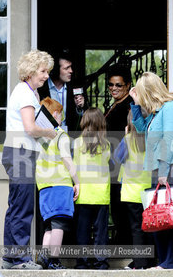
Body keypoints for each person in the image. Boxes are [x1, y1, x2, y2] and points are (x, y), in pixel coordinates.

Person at [129, 71, 173, 269]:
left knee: (168, 214)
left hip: (172, 165)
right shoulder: (157, 113)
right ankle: (165, 261)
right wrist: (136, 105)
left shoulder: (171, 108)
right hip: (160, 166)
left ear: (150, 92)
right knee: (157, 215)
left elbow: (169, 140)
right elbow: (139, 128)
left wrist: (163, 170)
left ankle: (172, 261)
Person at [1, 50, 56, 270]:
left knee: (16, 206)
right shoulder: (25, 94)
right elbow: (30, 128)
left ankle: (10, 258)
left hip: (19, 152)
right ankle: (20, 260)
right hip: (21, 154)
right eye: (43, 71)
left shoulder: (27, 92)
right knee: (22, 208)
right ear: (31, 71)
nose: (46, 76)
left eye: (47, 71)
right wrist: (50, 133)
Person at [35, 97, 79, 270]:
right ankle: (54, 259)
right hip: (60, 184)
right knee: (59, 223)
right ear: (55, 114)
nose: (62, 117)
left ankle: (43, 257)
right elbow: (67, 160)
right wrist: (77, 181)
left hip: (44, 186)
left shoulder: (40, 138)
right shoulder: (61, 134)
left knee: (49, 225)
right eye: (60, 114)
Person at [114, 110, 152, 270]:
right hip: (147, 190)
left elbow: (117, 157)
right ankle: (151, 260)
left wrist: (125, 135)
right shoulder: (149, 139)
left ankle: (140, 263)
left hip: (131, 192)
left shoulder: (128, 139)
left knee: (136, 229)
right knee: (150, 228)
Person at [73, 108, 111, 270]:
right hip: (101, 194)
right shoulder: (106, 144)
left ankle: (82, 262)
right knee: (100, 231)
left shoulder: (77, 143)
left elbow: (73, 165)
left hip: (83, 194)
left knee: (82, 230)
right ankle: (100, 262)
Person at [105, 65, 133, 245]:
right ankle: (121, 237)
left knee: (121, 204)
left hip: (121, 163)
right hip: (112, 162)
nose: (114, 88)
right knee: (115, 204)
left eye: (118, 85)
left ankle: (125, 241)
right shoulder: (116, 104)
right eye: (110, 85)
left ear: (128, 85)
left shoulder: (129, 106)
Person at [38, 50, 78, 133]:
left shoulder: (75, 87)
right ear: (56, 70)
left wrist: (80, 108)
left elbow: (81, 118)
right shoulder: (40, 88)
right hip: (47, 136)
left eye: (70, 67)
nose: (71, 71)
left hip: (69, 138)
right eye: (66, 68)